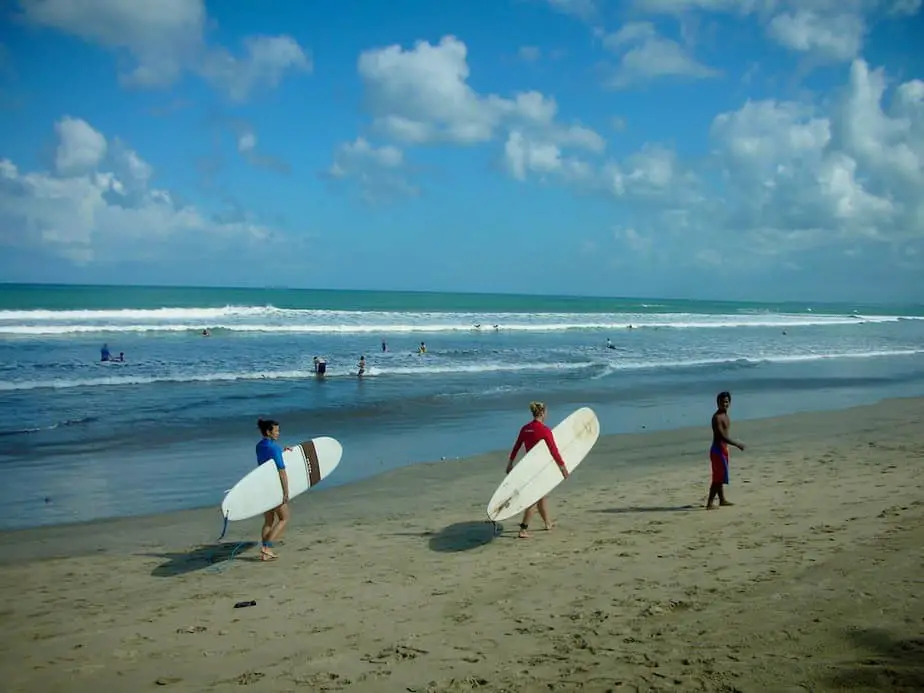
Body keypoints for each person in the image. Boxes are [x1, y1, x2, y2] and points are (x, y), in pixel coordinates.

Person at [507, 401, 569, 538]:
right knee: (534, 499)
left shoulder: (525, 428)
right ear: (541, 413)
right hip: (539, 469)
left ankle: (548, 523)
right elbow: (554, 451)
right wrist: (562, 467)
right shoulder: (545, 430)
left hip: (528, 468)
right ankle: (523, 529)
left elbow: (516, 446)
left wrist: (510, 463)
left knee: (542, 497)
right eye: (546, 412)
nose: (547, 415)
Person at [255, 418, 291, 560]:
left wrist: (283, 452)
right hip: (274, 487)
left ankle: (265, 553)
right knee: (284, 518)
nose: (278, 433)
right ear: (268, 432)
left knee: (268, 521)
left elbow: (267, 461)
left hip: (263, 485)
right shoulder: (274, 448)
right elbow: (281, 471)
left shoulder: (259, 446)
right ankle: (267, 547)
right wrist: (286, 491)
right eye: (276, 431)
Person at [707, 391, 745, 510]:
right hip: (717, 450)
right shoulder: (717, 418)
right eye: (722, 402)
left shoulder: (726, 415)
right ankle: (709, 503)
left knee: (721, 476)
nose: (725, 404)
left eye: (727, 402)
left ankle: (722, 500)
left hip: (723, 449)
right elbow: (722, 436)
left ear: (730, 403)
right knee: (717, 478)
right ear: (717, 403)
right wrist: (737, 444)